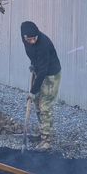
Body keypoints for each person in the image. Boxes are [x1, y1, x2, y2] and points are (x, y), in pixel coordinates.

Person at [20, 21, 61, 150]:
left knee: (45, 106)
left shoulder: (43, 44)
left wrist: (32, 91)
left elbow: (44, 70)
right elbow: (33, 53)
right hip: (39, 71)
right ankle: (42, 132)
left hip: (50, 75)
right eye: (29, 39)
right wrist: (33, 63)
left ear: (37, 35)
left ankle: (47, 140)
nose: (32, 41)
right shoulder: (25, 38)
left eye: (34, 39)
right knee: (37, 104)